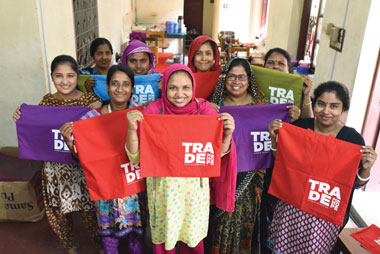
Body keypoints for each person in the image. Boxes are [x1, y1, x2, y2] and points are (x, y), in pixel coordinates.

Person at [125, 64, 237, 253]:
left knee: (192, 241)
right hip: (163, 193)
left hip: (194, 196)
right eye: (173, 88)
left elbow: (216, 155)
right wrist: (131, 129)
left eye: (186, 87)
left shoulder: (205, 111)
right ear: (164, 87)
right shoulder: (153, 112)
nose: (180, 94)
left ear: (193, 88)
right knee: (163, 243)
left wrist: (227, 134)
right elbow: (135, 157)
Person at [267, 81, 377, 254]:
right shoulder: (301, 127)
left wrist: (366, 168)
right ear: (314, 103)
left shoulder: (352, 139)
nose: (326, 111)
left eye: (334, 106)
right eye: (321, 104)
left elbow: (354, 184)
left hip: (323, 217)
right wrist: (274, 140)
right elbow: (283, 164)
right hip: (290, 210)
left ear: (343, 109)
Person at [207, 57, 300, 254]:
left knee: (248, 226)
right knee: (218, 223)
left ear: (250, 80)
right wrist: (204, 114)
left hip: (253, 179)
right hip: (221, 177)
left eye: (242, 77)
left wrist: (290, 120)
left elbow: (279, 142)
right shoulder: (213, 106)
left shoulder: (262, 106)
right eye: (231, 76)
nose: (236, 81)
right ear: (224, 79)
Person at [13, 55, 102, 254]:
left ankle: (99, 245)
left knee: (91, 210)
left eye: (70, 75)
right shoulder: (46, 101)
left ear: (76, 76)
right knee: (59, 211)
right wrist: (21, 116)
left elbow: (100, 126)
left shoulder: (89, 101)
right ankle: (68, 245)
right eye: (59, 76)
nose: (65, 81)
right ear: (52, 77)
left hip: (82, 167)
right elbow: (36, 127)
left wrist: (98, 110)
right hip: (54, 168)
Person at [60, 65, 145, 254]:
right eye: (115, 83)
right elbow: (81, 156)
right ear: (107, 87)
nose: (120, 89)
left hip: (133, 188)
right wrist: (68, 140)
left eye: (125, 84)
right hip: (105, 189)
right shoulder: (92, 118)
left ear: (132, 88)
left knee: (135, 239)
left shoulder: (141, 115)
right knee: (109, 240)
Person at [264, 47, 314, 118]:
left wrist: (306, 96)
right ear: (264, 66)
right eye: (270, 62)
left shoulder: (298, 88)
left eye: (281, 63)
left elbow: (308, 122)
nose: (275, 66)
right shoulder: (254, 84)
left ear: (288, 68)